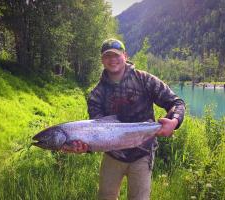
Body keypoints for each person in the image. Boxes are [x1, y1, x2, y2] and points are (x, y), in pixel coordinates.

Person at [62, 38, 185, 200]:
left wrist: (174, 122)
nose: (112, 60)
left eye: (116, 55)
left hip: (143, 154)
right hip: (113, 156)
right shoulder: (96, 95)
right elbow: (97, 134)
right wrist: (84, 147)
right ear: (102, 60)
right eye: (107, 56)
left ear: (125, 56)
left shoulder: (144, 79)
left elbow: (177, 103)